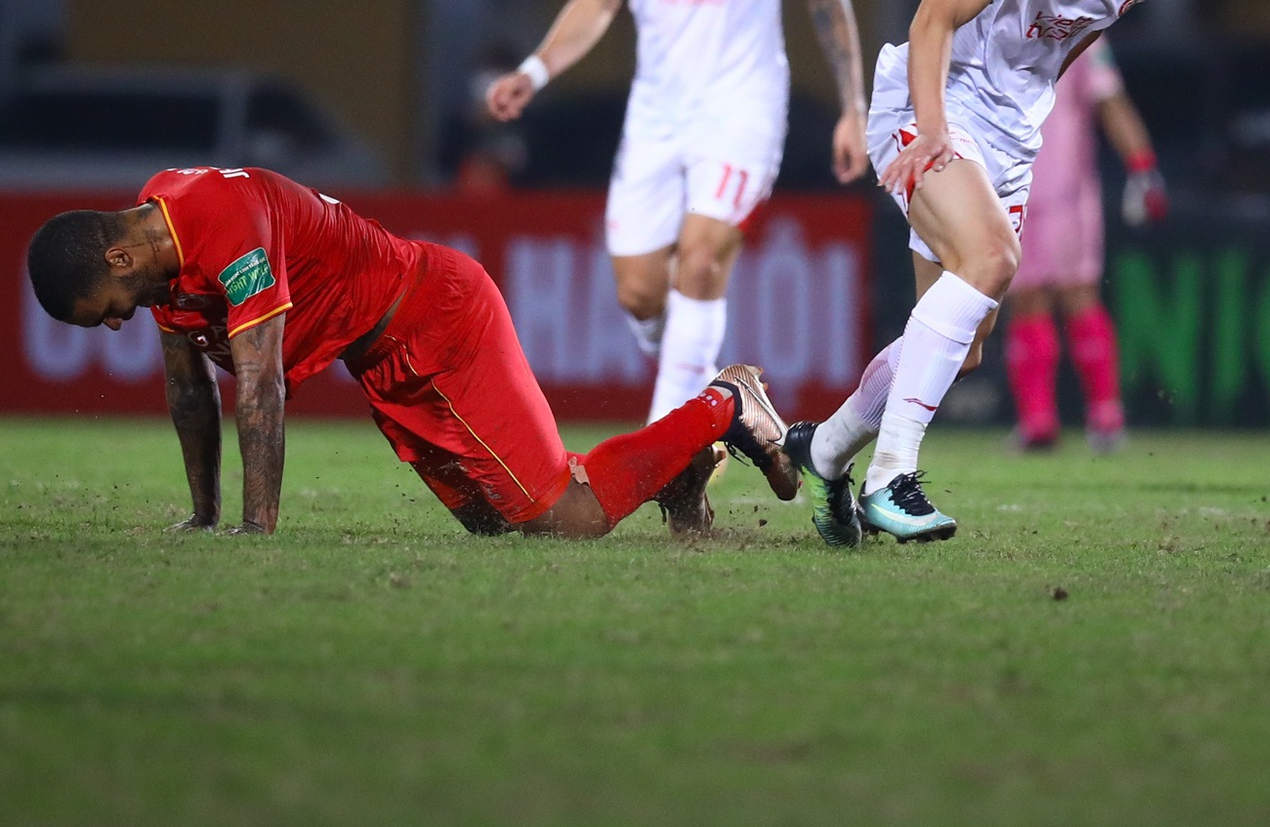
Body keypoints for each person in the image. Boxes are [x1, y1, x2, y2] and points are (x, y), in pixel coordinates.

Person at [783, 0, 1262, 546]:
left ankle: (824, 449)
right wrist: (932, 129)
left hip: (1007, 129)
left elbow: (1071, 41)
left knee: (963, 347)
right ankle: (889, 477)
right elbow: (932, 17)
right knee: (994, 260)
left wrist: (1024, 122)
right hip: (932, 95)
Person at [25, 166, 800, 538]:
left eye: (106, 313)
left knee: (564, 521)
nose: (119, 324)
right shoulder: (156, 249)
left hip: (438, 323)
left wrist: (255, 530)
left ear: (118, 262)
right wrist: (204, 517)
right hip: (385, 366)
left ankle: (724, 403)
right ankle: (678, 467)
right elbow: (191, 390)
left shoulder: (222, 220)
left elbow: (260, 384)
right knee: (496, 530)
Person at [484, 0, 868, 448]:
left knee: (700, 260)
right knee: (638, 293)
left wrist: (853, 103)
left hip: (743, 108)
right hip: (657, 115)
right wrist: (534, 71)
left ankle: (668, 449)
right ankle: (724, 393)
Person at [1003, 39, 1166, 452]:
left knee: (1062, 295)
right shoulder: (1072, 26)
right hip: (1020, 185)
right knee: (1038, 297)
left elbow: (1110, 101)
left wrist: (1142, 166)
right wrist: (1143, 168)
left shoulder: (1075, 29)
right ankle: (1054, 420)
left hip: (1051, 189)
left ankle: (1090, 416)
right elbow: (1111, 100)